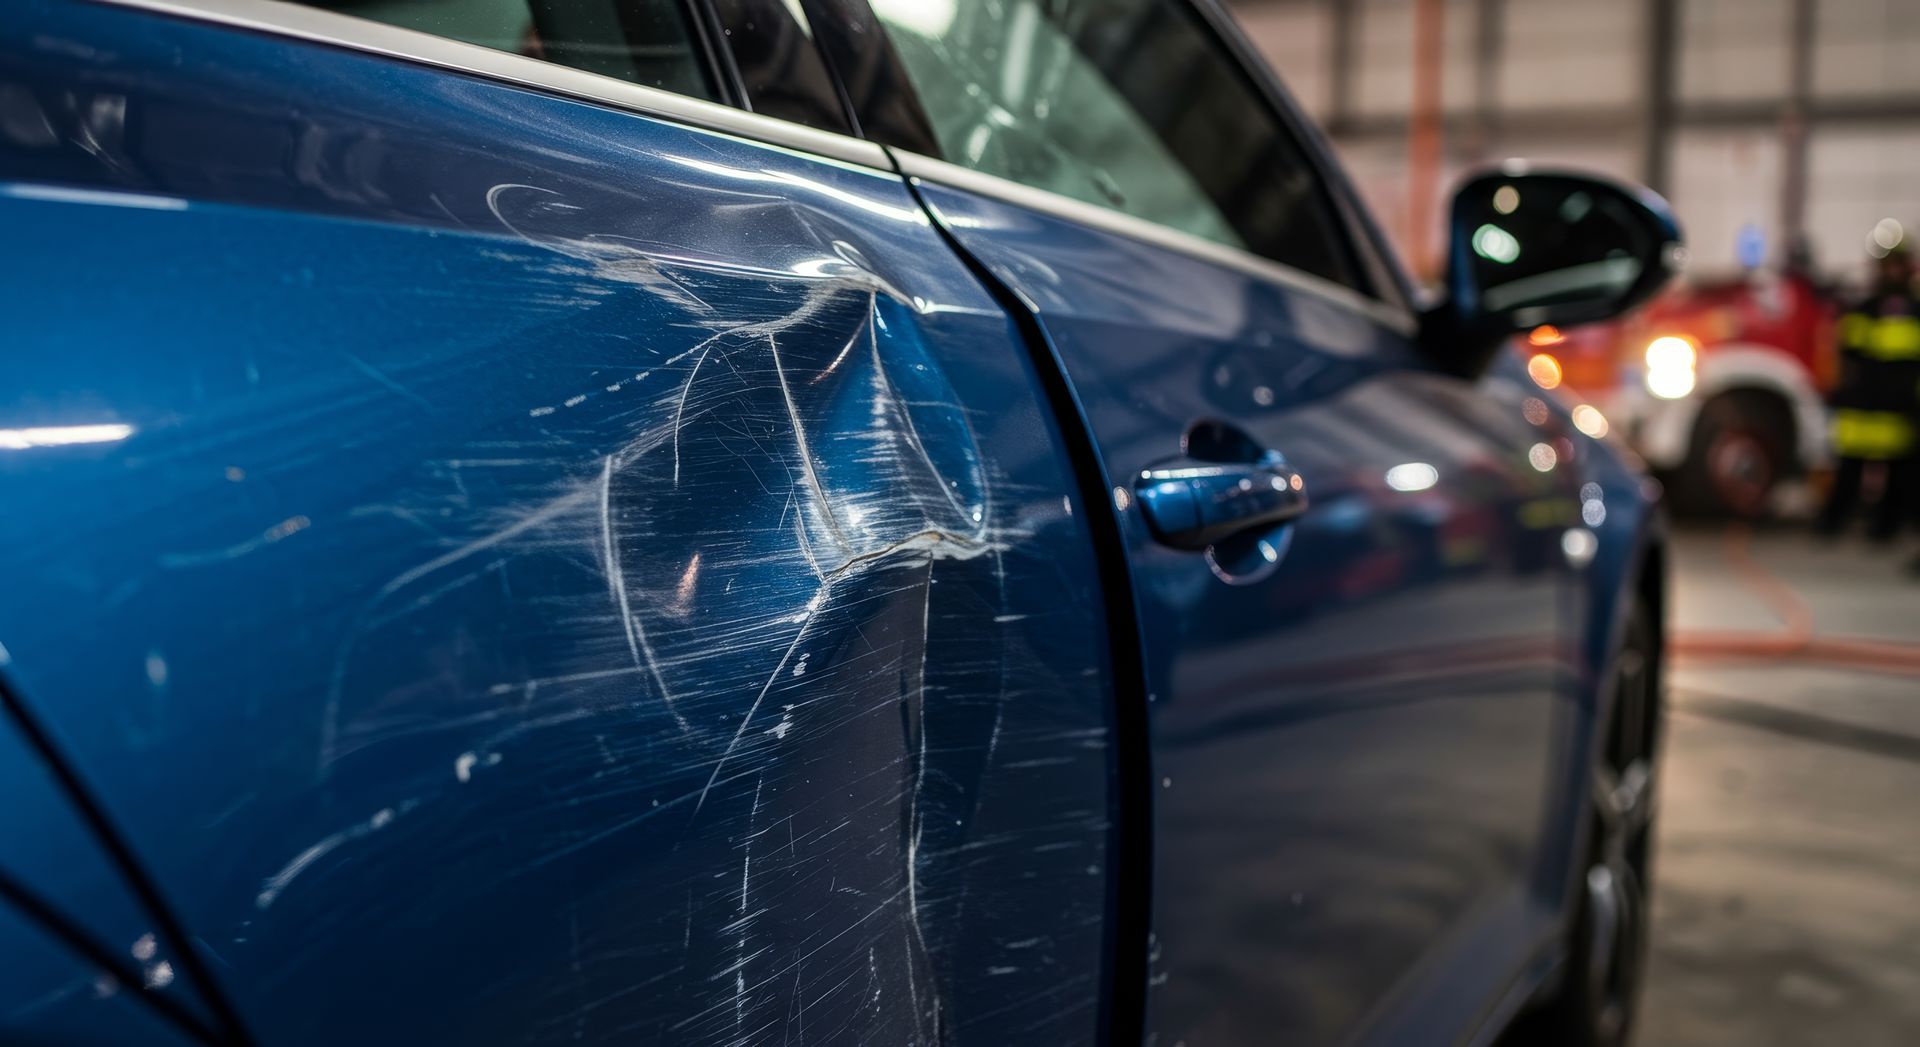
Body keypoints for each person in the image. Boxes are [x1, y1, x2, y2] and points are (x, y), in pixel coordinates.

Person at [1818, 239, 1920, 540]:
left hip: (1902, 408)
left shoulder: (1915, 310)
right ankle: (1833, 522)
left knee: (1900, 476)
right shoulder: (1864, 309)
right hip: (1863, 405)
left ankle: (1885, 528)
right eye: (1887, 265)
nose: (1892, 271)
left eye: (1897, 264)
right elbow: (1847, 355)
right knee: (1848, 470)